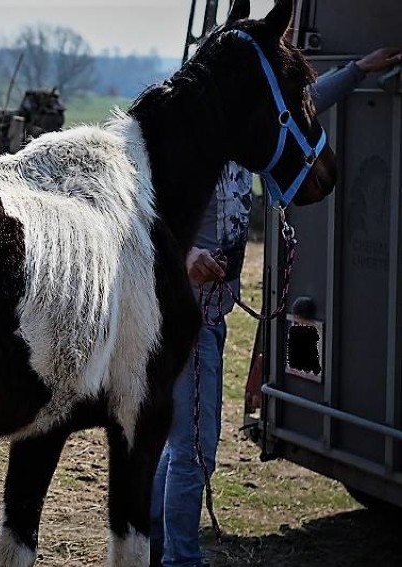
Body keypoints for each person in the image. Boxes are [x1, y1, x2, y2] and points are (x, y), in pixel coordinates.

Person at [149, 35, 402, 567]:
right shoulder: (185, 144)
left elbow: (303, 109)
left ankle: (156, 544)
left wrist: (358, 67)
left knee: (179, 444)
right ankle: (180, 558)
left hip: (209, 316)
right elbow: (144, 220)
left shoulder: (248, 137)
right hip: (186, 315)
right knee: (195, 450)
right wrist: (188, 254)